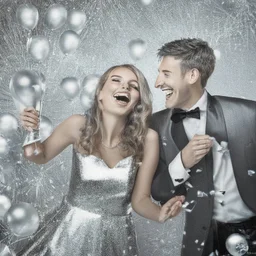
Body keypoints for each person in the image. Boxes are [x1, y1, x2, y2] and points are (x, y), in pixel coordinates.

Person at [18, 64, 184, 256]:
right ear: (100, 94)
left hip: (117, 240)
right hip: (68, 234)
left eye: (134, 86)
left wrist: (159, 213)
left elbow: (140, 200)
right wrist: (31, 131)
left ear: (138, 102)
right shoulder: (77, 125)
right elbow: (39, 156)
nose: (125, 87)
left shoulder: (148, 139)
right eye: (116, 80)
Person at [150, 38, 256, 256]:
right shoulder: (157, 124)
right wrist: (182, 162)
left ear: (192, 75)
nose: (157, 83)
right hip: (201, 240)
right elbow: (158, 192)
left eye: (166, 74)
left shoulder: (248, 114)